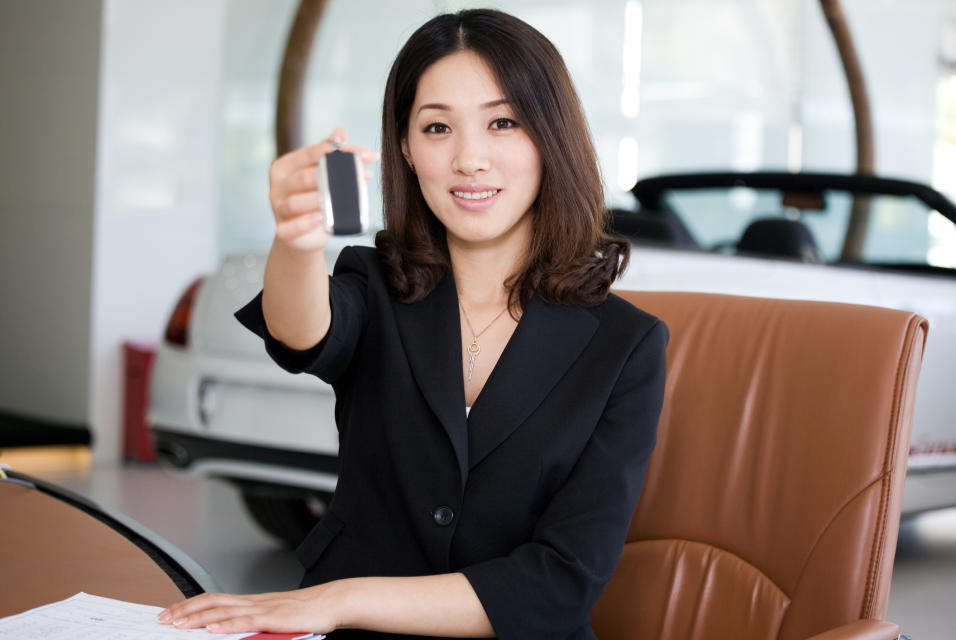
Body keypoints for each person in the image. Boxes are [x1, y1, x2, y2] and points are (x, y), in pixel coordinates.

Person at [159, 8, 667, 639]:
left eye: (502, 123)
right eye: (437, 128)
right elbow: (304, 331)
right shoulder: (375, 286)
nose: (469, 159)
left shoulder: (626, 345)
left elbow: (561, 578)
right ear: (405, 146)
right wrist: (295, 243)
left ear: (549, 138)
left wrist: (340, 600)